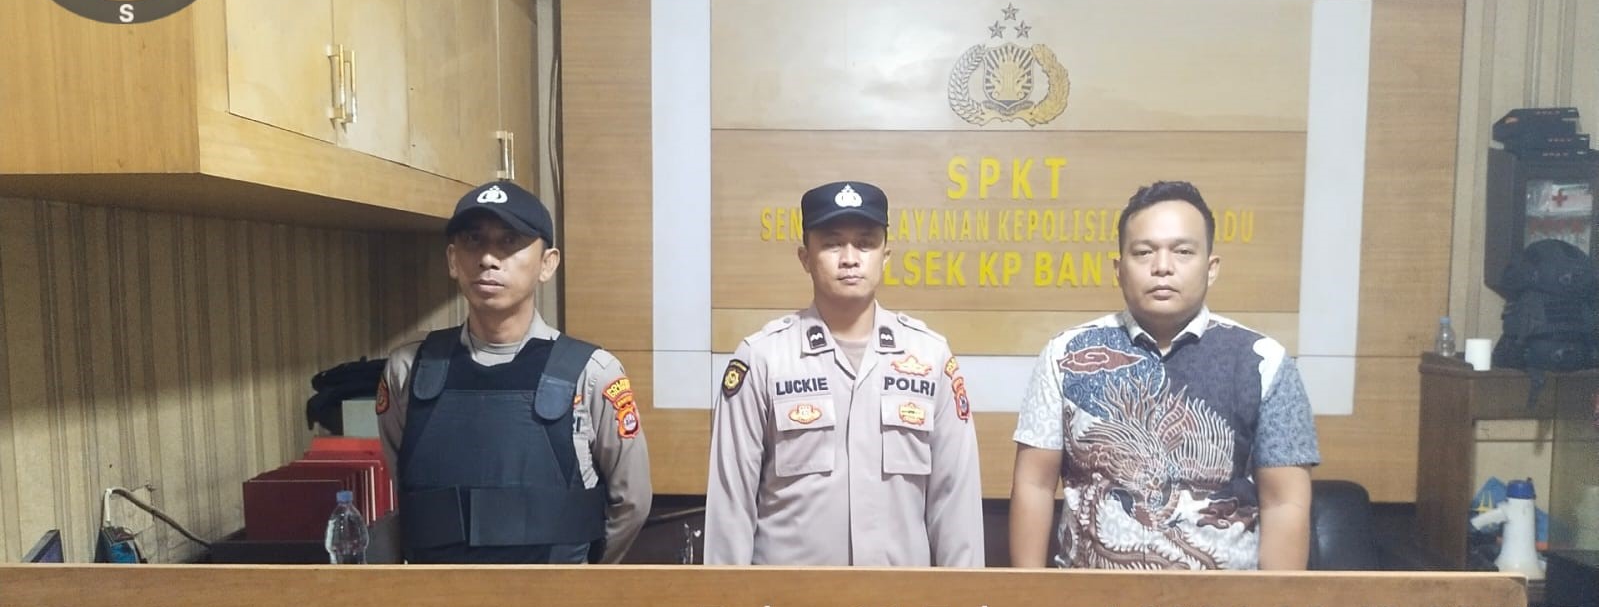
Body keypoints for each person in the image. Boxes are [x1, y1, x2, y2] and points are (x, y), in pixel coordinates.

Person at [1008, 180, 1320, 570]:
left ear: (1211, 268)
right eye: (1144, 252)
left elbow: (1284, 502)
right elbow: (1034, 485)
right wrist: (1026, 593)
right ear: (1119, 270)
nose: (1162, 267)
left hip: (1223, 595)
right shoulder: (1065, 355)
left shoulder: (1264, 362)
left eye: (1182, 251)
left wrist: (1279, 598)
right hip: (1088, 593)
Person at [704, 180, 985, 566]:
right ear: (805, 258)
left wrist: (966, 594)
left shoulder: (930, 357)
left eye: (865, 244)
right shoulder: (762, 359)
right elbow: (730, 506)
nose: (850, 259)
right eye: (833, 244)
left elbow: (956, 503)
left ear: (885, 256)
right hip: (789, 593)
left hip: (898, 594)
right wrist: (724, 595)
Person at [377, 181, 651, 563]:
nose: (488, 258)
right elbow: (406, 492)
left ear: (547, 263)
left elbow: (632, 503)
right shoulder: (408, 370)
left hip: (557, 592)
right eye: (473, 240)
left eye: (510, 241)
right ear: (453, 260)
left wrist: (586, 583)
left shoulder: (592, 374)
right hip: (437, 590)